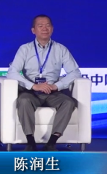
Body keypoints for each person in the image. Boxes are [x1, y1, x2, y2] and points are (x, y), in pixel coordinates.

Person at [7, 14, 82, 151]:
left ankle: (52, 142)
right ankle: (30, 142)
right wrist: (33, 86)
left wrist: (56, 86)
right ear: (33, 30)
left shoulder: (61, 49)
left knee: (69, 102)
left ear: (52, 29)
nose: (44, 29)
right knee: (23, 100)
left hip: (52, 92)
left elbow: (75, 72)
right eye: (40, 26)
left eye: (48, 25)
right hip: (31, 92)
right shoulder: (25, 49)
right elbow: (12, 72)